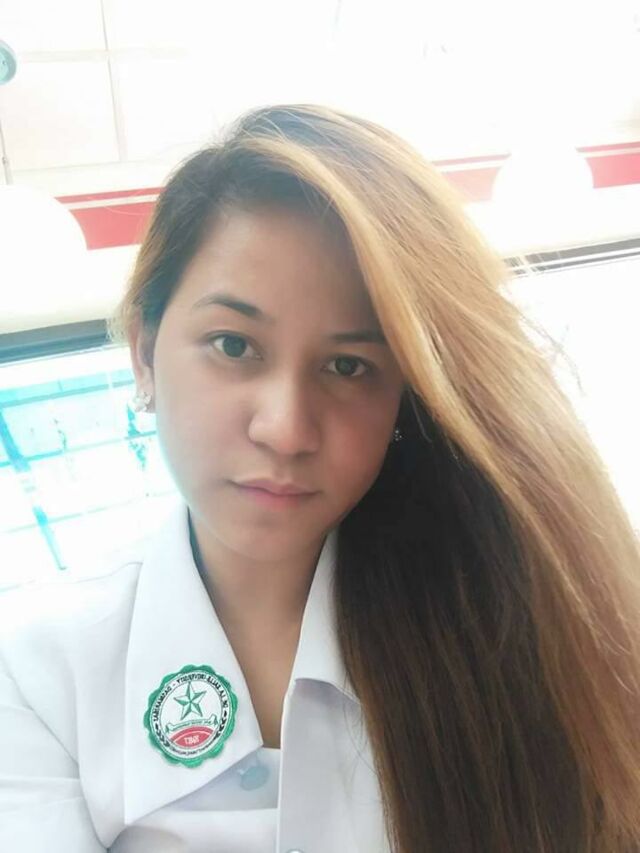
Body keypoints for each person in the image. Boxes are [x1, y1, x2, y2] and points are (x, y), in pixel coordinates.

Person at [1, 104, 639, 853]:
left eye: (347, 365)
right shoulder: (39, 674)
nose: (286, 428)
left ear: (407, 397)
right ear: (144, 351)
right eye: (233, 345)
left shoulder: (518, 626)